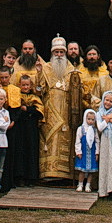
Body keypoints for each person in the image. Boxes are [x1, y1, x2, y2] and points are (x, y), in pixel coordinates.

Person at [40, 36, 80, 181]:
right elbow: (40, 87)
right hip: (49, 108)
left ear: (65, 54)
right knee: (49, 139)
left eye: (61, 52)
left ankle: (64, 174)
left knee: (64, 138)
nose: (58, 55)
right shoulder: (45, 68)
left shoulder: (71, 69)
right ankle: (48, 172)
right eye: (56, 52)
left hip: (65, 110)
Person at [9, 71, 43, 187]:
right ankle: (20, 176)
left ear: (31, 86)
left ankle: (31, 177)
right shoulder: (16, 96)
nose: (25, 87)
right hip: (19, 128)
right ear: (19, 85)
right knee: (20, 151)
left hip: (31, 128)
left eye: (27, 85)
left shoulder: (35, 97)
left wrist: (27, 109)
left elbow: (39, 111)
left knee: (31, 151)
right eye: (23, 85)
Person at [74, 108, 99, 192]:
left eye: (92, 119)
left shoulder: (95, 130)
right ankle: (80, 184)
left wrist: (97, 153)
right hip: (83, 152)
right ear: (85, 118)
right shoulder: (81, 129)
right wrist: (78, 151)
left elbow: (97, 142)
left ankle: (88, 185)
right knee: (82, 170)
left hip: (91, 152)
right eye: (89, 119)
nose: (90, 121)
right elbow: (78, 141)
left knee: (91, 171)